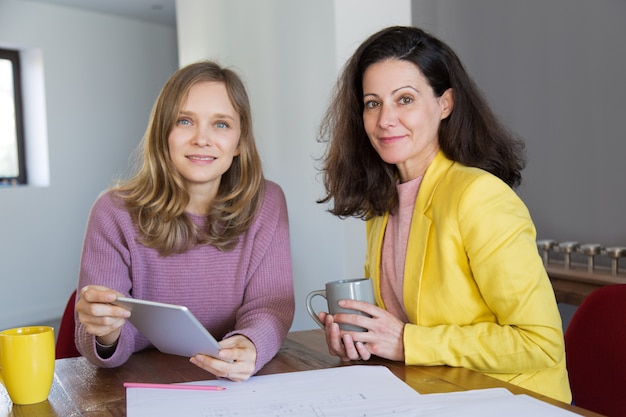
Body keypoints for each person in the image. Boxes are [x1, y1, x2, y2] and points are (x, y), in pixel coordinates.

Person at [316, 26, 571, 402]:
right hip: (432, 395)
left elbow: (540, 342)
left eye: (405, 100)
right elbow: (402, 326)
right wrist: (364, 339)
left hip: (510, 401)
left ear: (445, 104)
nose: (385, 119)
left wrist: (406, 341)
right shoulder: (382, 205)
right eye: (373, 103)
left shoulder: (479, 197)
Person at [75, 61, 294, 382]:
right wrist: (105, 332)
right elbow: (104, 344)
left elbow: (270, 303)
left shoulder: (268, 202)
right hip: (145, 380)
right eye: (185, 121)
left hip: (234, 383)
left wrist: (251, 344)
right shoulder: (113, 211)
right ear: (164, 132)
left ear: (239, 142)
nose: (202, 139)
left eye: (221, 124)